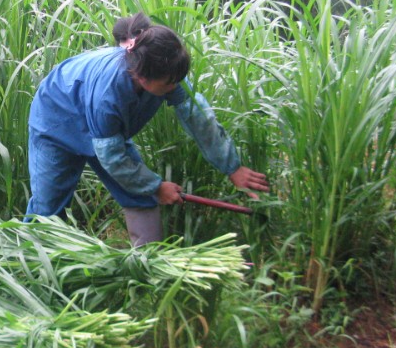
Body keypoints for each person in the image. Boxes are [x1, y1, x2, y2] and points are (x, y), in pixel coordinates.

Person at [24, 13, 269, 246]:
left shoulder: (165, 71)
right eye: (168, 84)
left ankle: (147, 268)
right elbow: (113, 158)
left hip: (102, 127)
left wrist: (232, 167)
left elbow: (197, 116)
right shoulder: (109, 97)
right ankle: (33, 268)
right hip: (55, 121)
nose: (174, 87)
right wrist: (156, 186)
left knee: (139, 194)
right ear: (142, 78)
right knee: (47, 209)